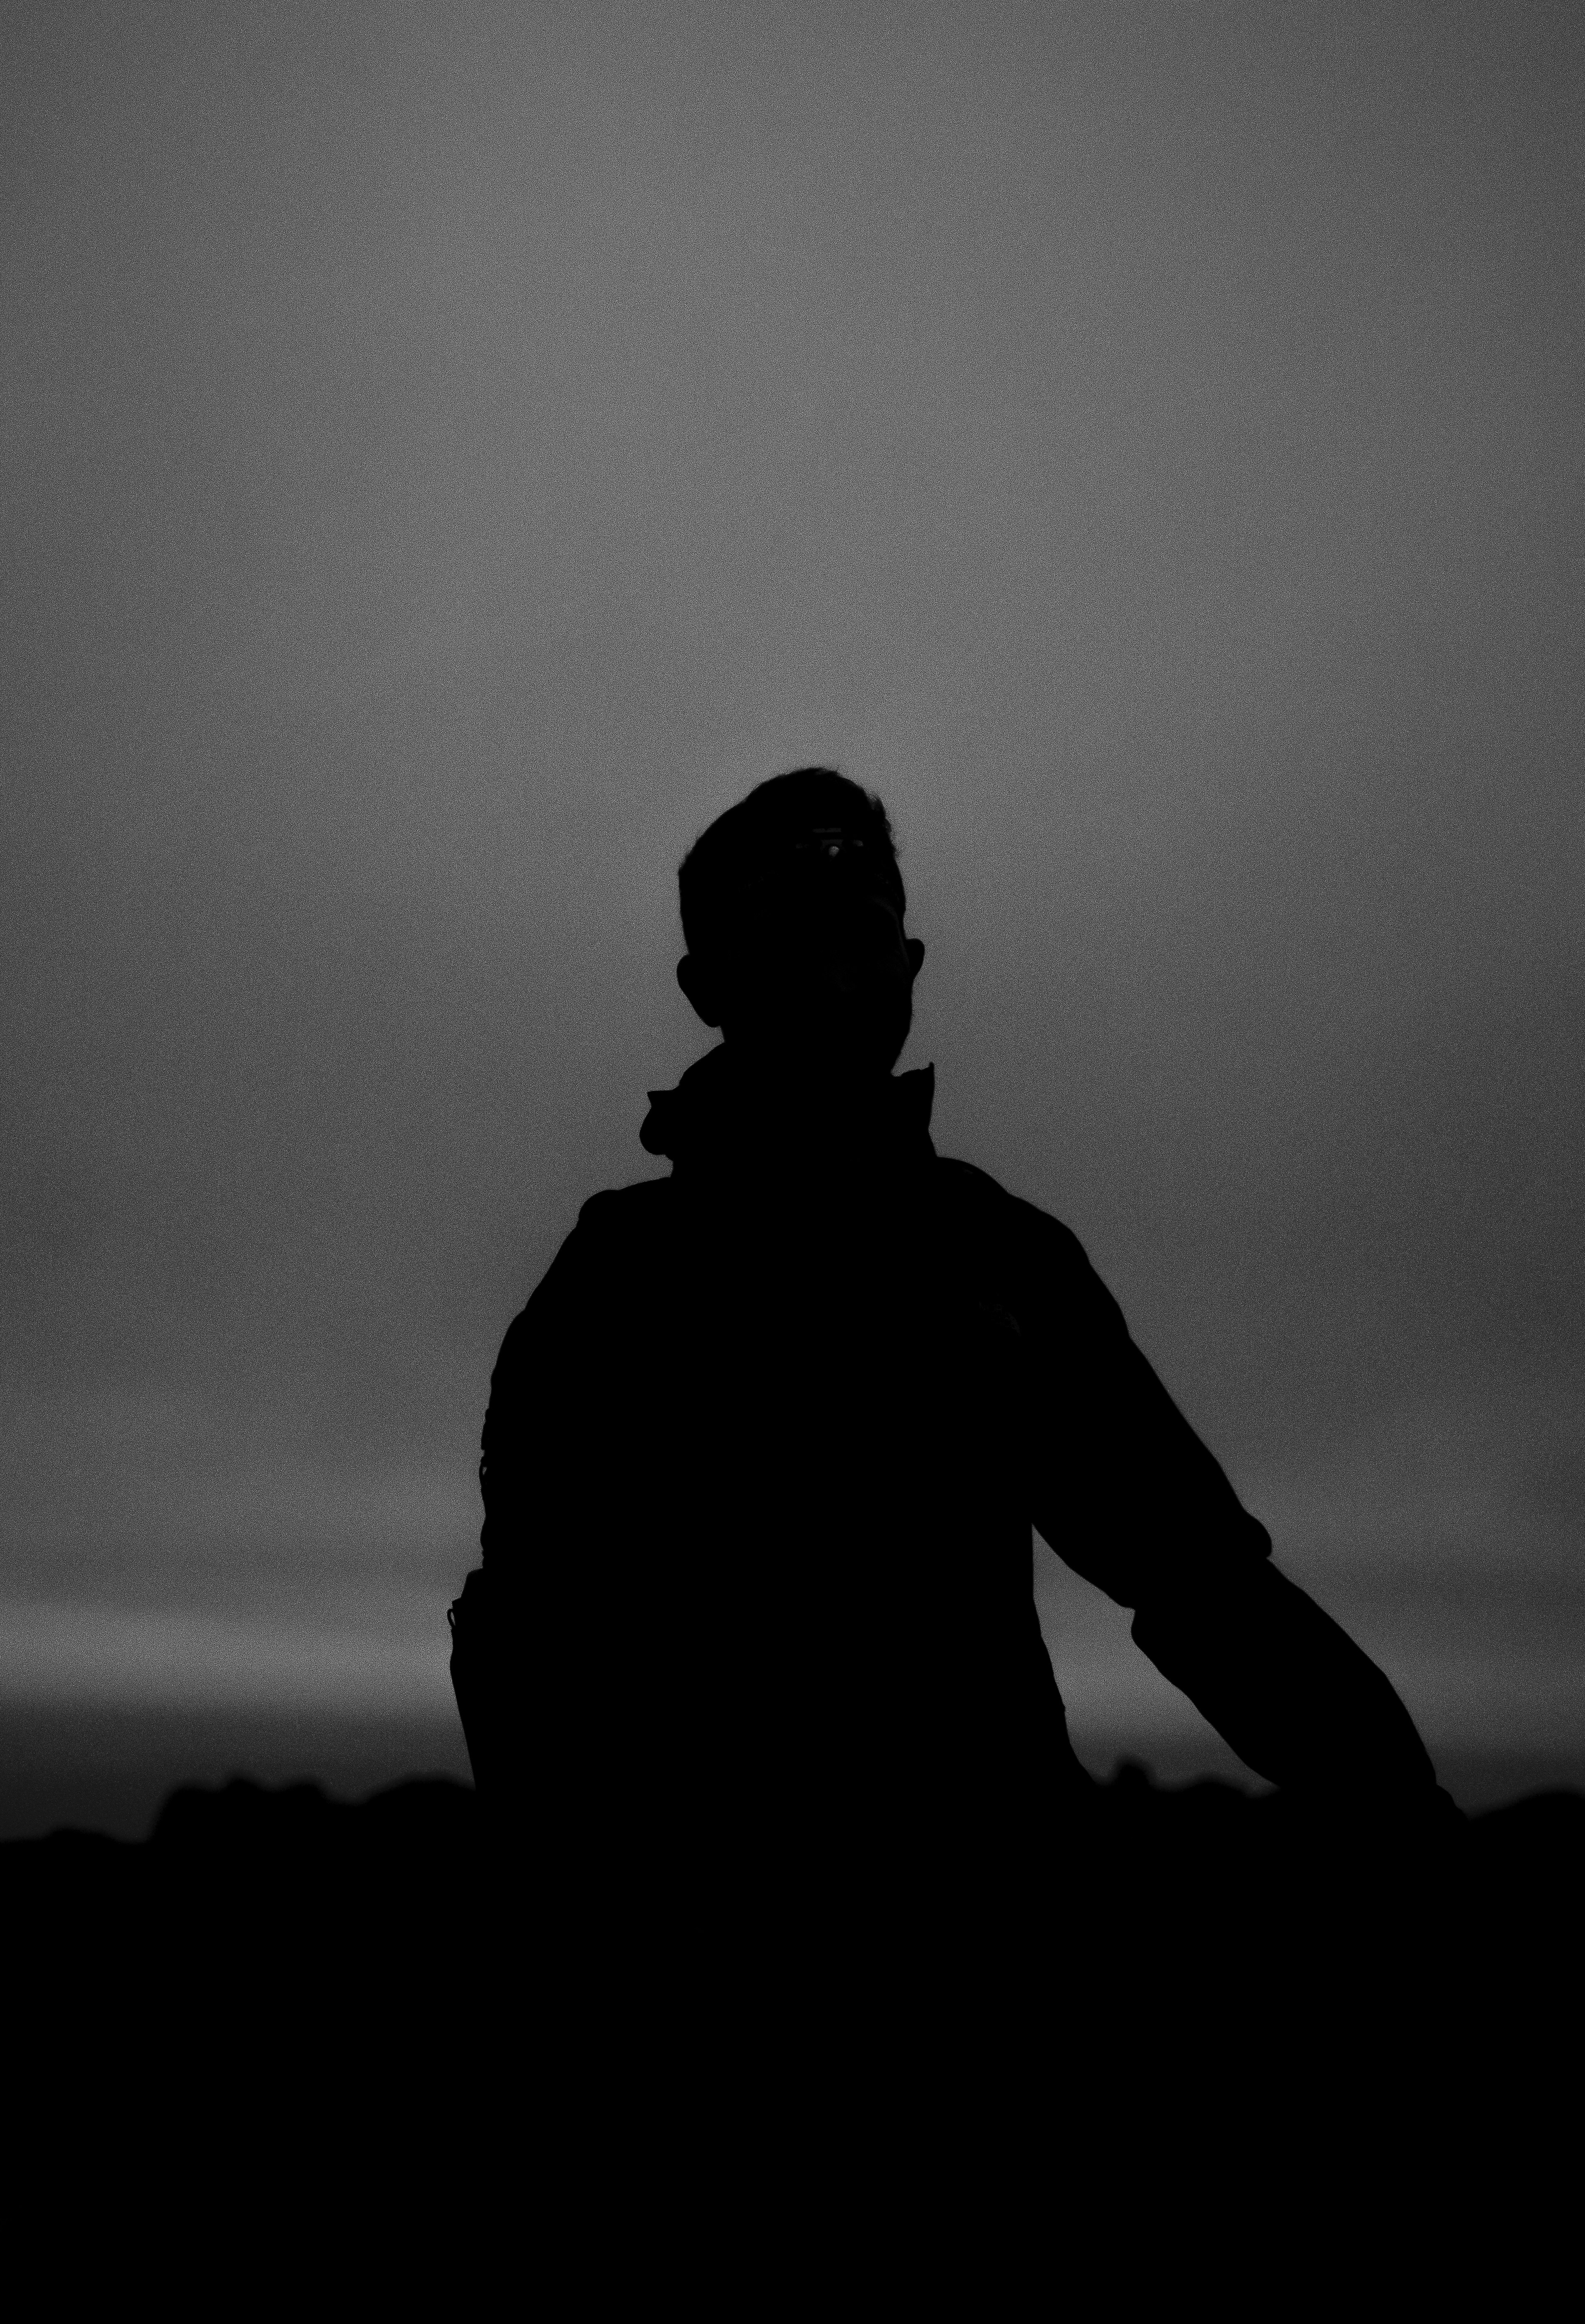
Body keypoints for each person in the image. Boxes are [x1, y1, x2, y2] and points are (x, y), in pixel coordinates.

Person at [450, 767, 1458, 1956]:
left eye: (863, 937)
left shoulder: (1003, 1259)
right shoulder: (614, 1287)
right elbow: (525, 1656)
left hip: (1008, 1940)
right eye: (780, 946)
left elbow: (1206, 1590)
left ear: (912, 965)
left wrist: (1424, 1841)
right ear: (707, 988)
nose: (834, 983)